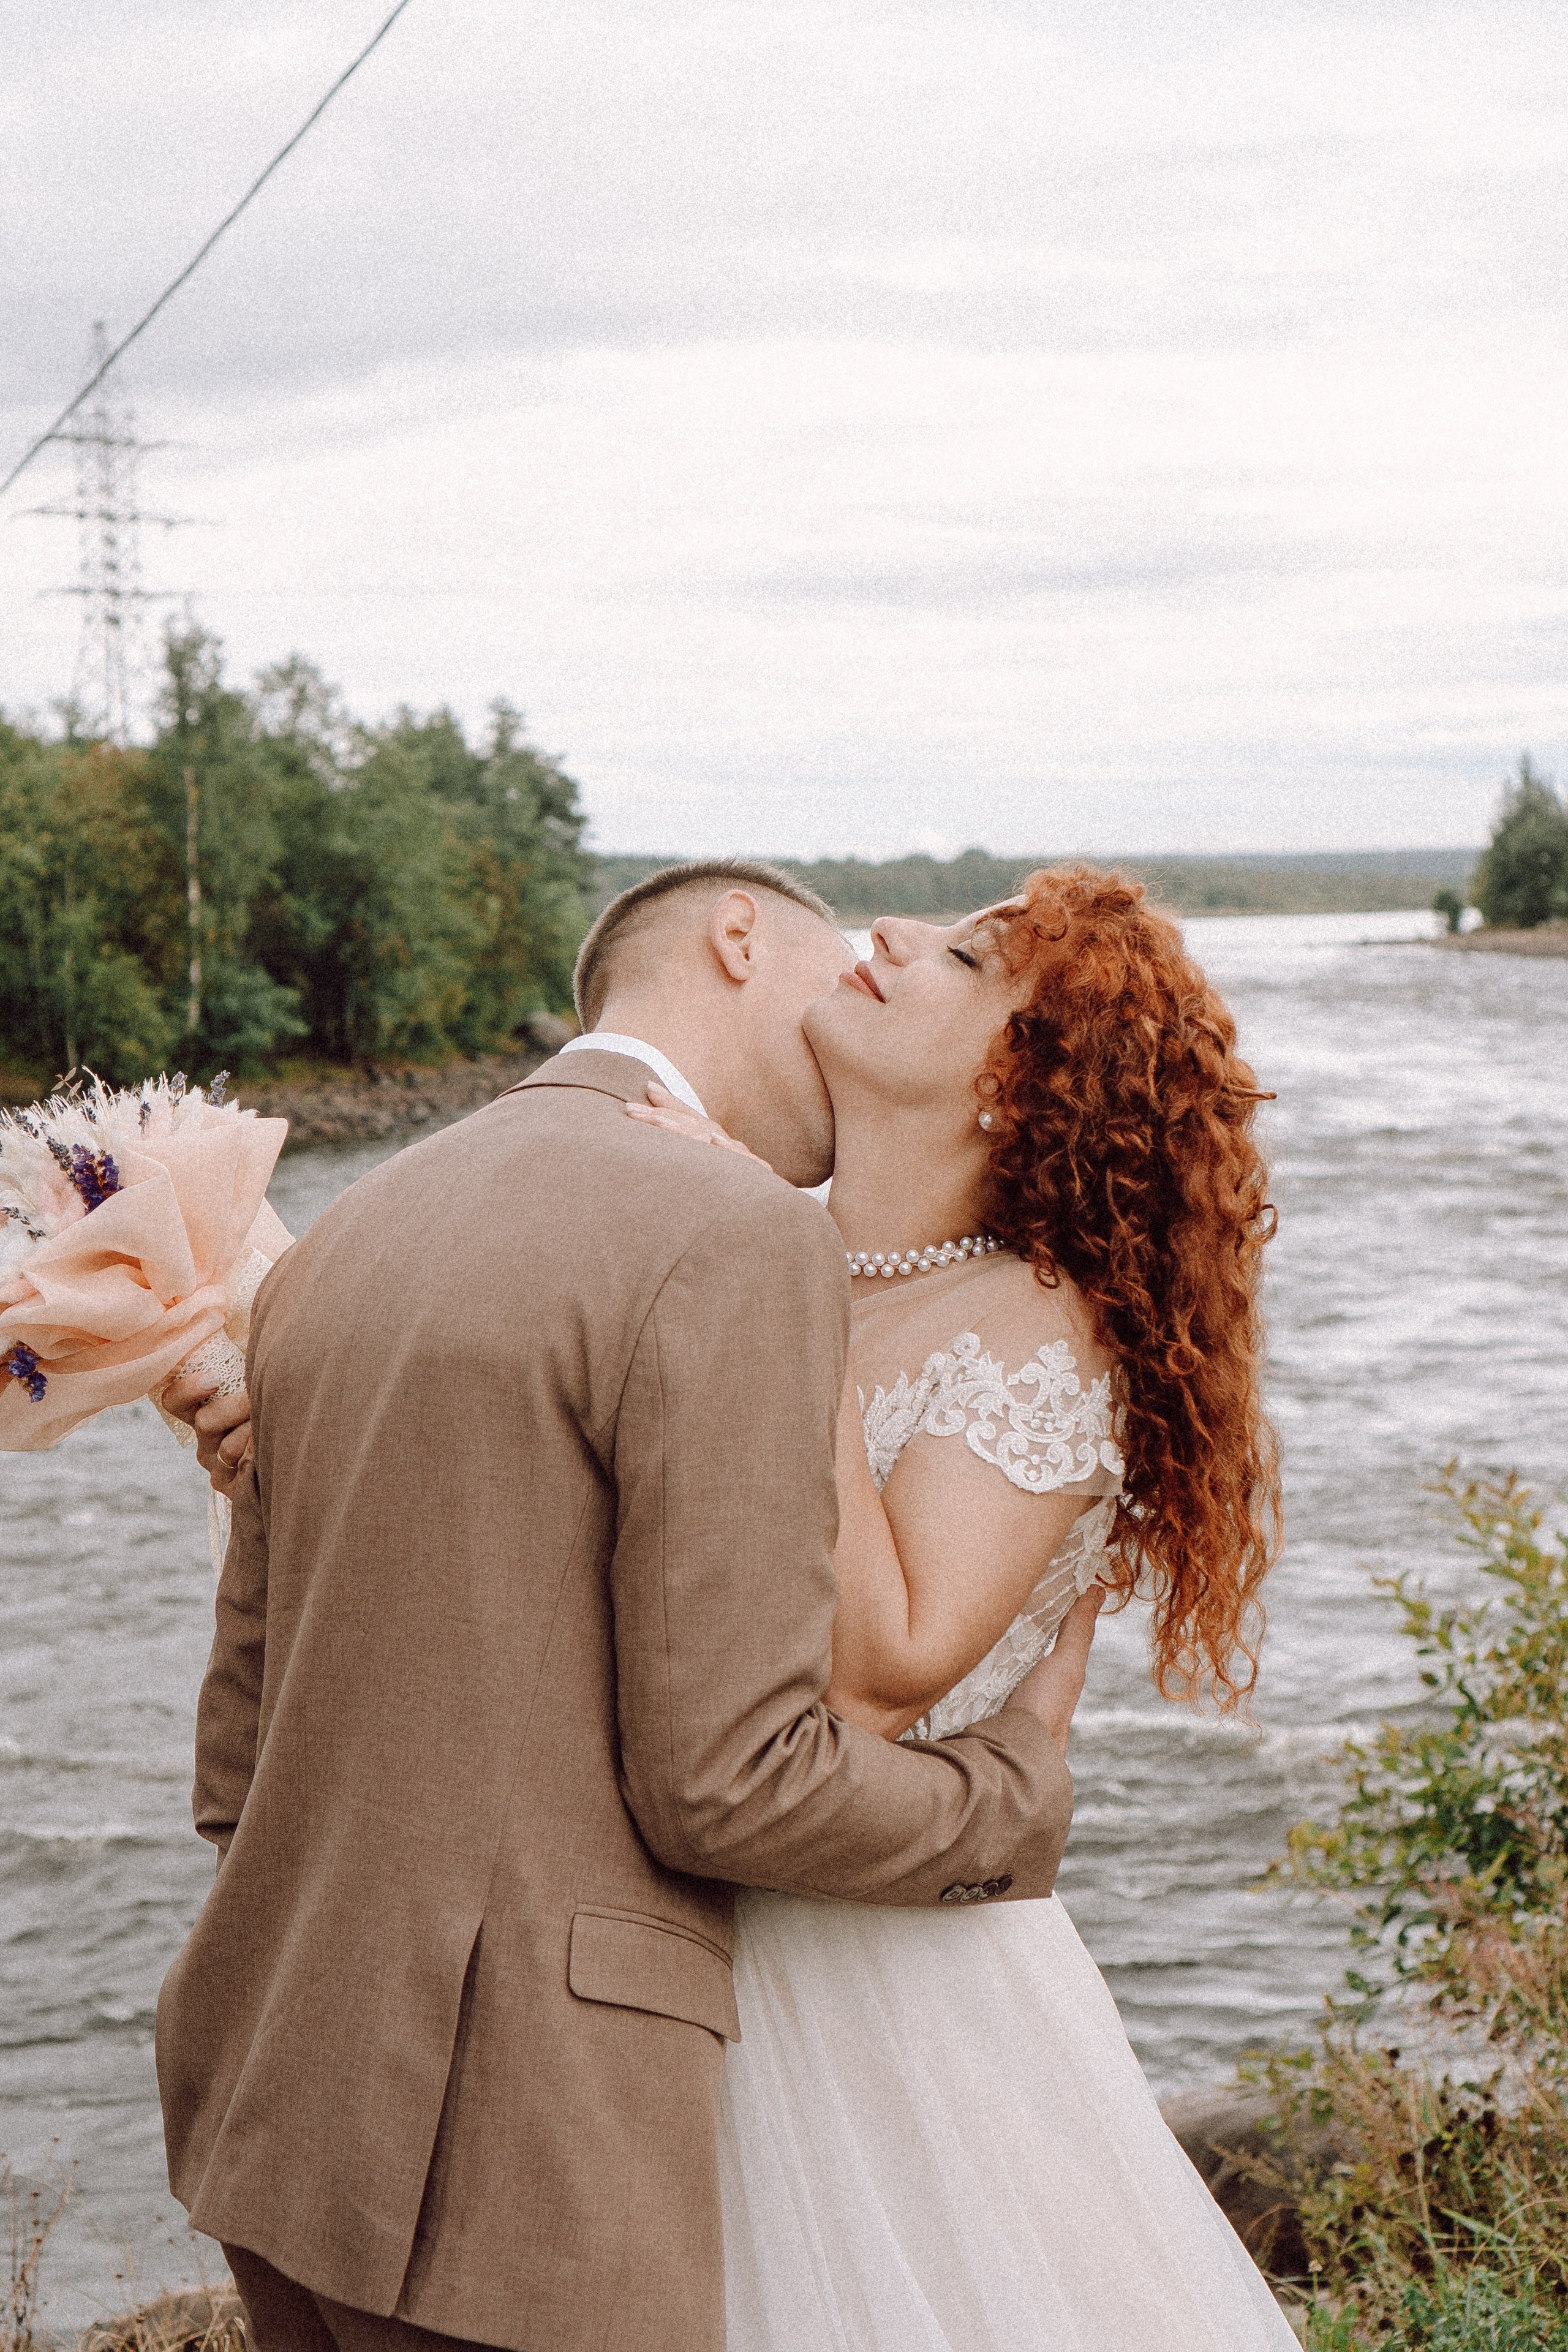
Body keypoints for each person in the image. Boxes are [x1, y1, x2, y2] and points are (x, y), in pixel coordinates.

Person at [157, 859, 1101, 2352]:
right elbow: (727, 1785)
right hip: (519, 2154)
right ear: (738, 938)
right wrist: (1007, 1808)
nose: (880, 971)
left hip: (275, 2092)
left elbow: (239, 1761)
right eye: (844, 963)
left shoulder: (349, 1229)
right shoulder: (729, 1232)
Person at [622, 864, 1294, 2350]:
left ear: (1019, 1083)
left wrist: (766, 1266)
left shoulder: (1028, 1326)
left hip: (872, 1998)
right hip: (667, 1948)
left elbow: (879, 1674)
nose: (890, 936)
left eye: (967, 956)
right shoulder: (755, 1225)